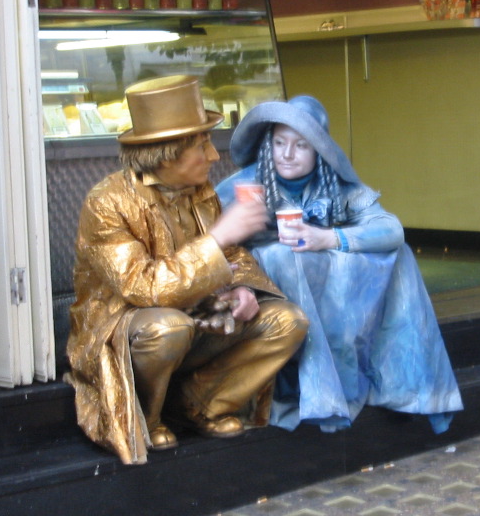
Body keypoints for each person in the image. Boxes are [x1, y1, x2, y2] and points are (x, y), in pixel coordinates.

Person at [64, 75, 308, 465]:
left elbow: (235, 256)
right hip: (128, 325)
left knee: (287, 320)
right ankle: (146, 417)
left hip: (195, 314)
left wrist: (243, 286)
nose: (214, 156)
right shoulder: (107, 202)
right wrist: (219, 237)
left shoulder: (200, 191)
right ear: (166, 154)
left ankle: (199, 404)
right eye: (202, 145)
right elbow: (144, 288)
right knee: (168, 327)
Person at [216, 95, 463, 434]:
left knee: (399, 255)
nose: (287, 154)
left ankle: (406, 388)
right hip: (259, 295)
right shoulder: (241, 186)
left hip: (328, 293)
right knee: (282, 255)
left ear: (319, 151)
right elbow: (208, 239)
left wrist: (328, 238)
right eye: (279, 143)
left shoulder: (335, 185)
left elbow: (391, 228)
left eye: (301, 145)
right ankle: (310, 392)